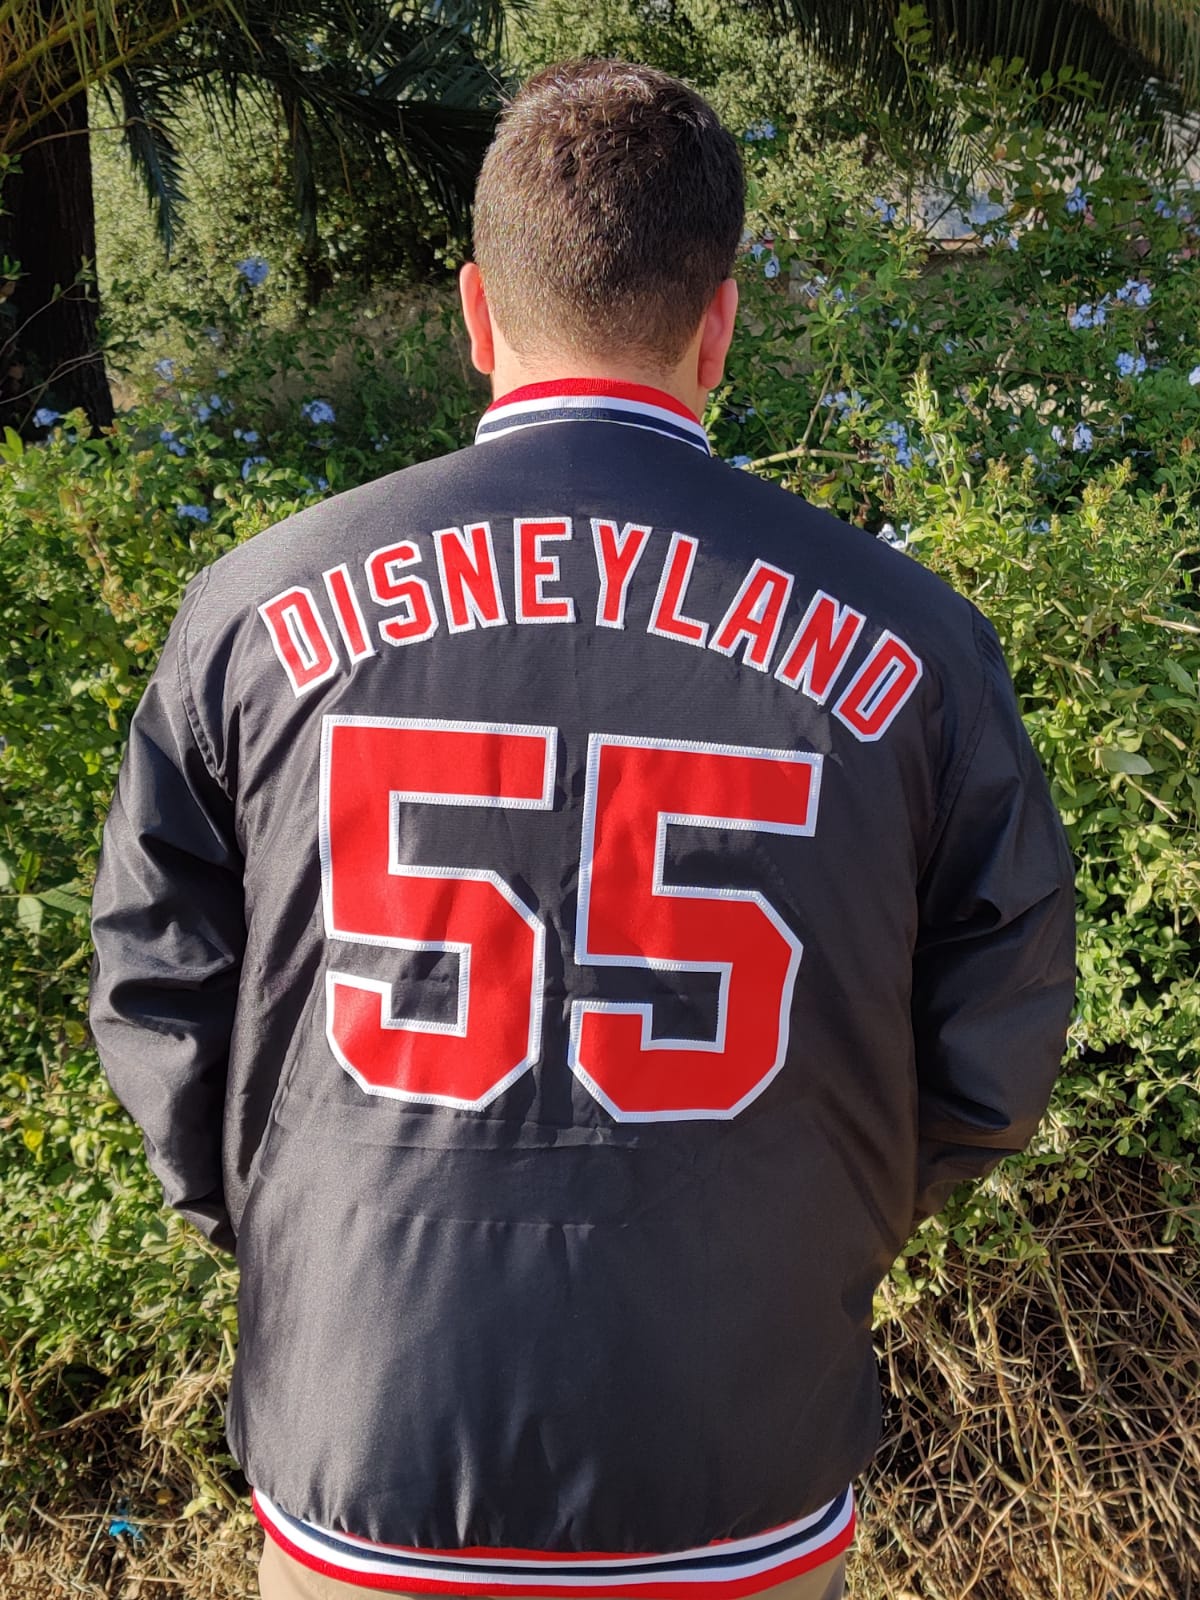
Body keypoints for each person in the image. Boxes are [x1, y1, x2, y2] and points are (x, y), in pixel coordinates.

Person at [89, 59, 1076, 1600]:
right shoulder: (913, 643)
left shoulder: (258, 611)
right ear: (721, 325)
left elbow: (157, 994)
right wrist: (821, 1214)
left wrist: (295, 1223)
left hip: (369, 1448)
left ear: (478, 314)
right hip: (735, 1453)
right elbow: (997, 1036)